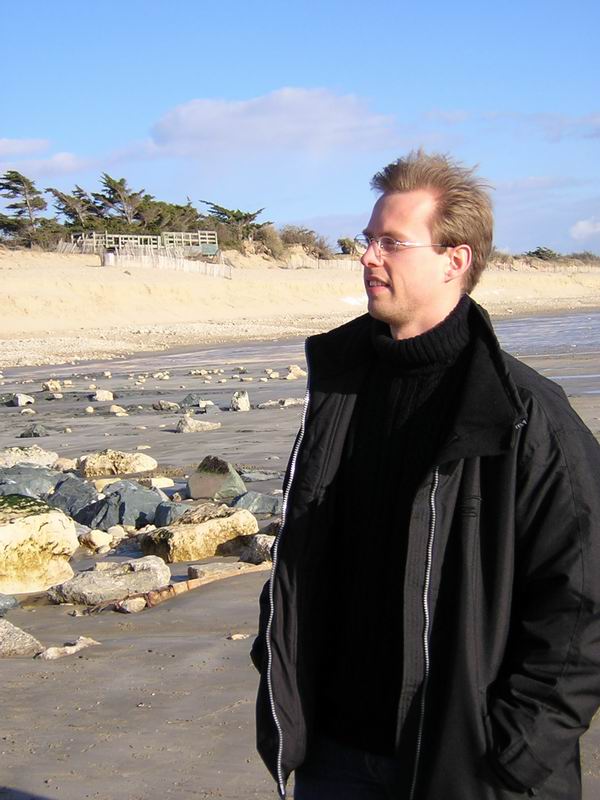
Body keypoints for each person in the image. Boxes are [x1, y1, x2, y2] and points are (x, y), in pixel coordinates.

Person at [251, 150, 600, 799]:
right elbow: (306, 553)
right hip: (335, 755)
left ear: (454, 260)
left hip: (465, 764)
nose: (366, 257)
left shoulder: (526, 414)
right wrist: (277, 661)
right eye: (367, 239)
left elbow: (582, 603)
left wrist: (516, 750)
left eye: (391, 242)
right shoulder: (340, 392)